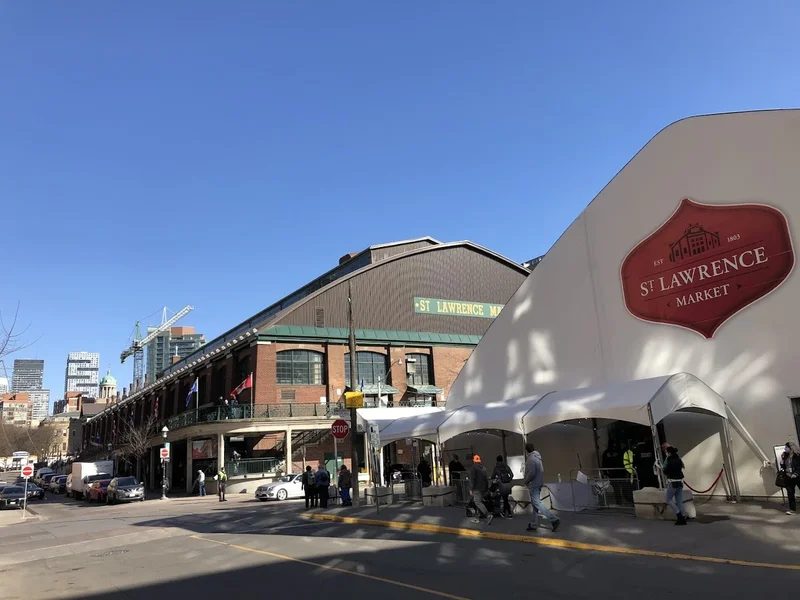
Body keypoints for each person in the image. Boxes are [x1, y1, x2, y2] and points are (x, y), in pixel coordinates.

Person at [523, 443, 559, 532]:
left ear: (526, 450)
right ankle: (533, 524)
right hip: (538, 483)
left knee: (537, 503)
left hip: (533, 484)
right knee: (535, 504)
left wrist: (526, 481)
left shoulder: (531, 459)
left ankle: (553, 519)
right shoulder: (538, 459)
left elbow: (531, 473)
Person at [662, 446, 687, 525]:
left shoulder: (668, 460)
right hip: (680, 482)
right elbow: (683, 466)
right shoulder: (679, 459)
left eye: (666, 452)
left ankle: (679, 515)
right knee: (679, 501)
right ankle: (683, 518)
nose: (666, 453)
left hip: (672, 482)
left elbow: (664, 470)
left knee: (668, 500)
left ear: (669, 453)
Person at [468, 454, 492, 525]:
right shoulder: (483, 468)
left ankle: (488, 515)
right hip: (483, 488)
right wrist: (487, 488)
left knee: (477, 502)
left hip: (476, 488)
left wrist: (471, 489)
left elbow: (472, 479)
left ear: (474, 461)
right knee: (479, 502)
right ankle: (477, 518)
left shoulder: (473, 468)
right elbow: (486, 480)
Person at [602, 440, 624, 506]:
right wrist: (605, 472)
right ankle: (619, 501)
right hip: (612, 472)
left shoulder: (618, 451)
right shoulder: (606, 453)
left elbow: (621, 461)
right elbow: (604, 463)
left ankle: (623, 501)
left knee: (622, 487)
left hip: (618, 472)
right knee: (616, 487)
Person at [780, 441, 800, 515]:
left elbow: (799, 466)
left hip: (797, 477)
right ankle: (792, 510)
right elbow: (784, 466)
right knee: (790, 493)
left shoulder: (797, 456)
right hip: (788, 477)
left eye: (786, 447)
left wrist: (796, 473)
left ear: (791, 448)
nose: (785, 449)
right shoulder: (785, 456)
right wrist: (782, 460)